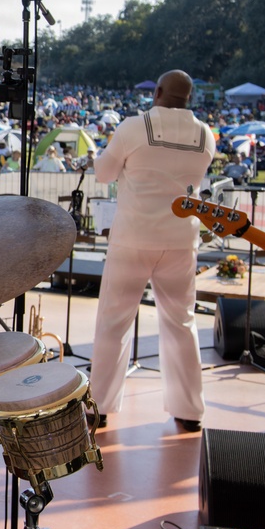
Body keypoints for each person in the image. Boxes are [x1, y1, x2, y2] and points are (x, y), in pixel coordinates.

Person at [89, 70, 215, 432]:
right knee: (181, 323)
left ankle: (99, 405)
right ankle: (190, 410)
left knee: (114, 322)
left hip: (133, 238)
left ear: (157, 91)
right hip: (179, 241)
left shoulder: (133, 127)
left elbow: (104, 173)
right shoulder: (205, 134)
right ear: (189, 97)